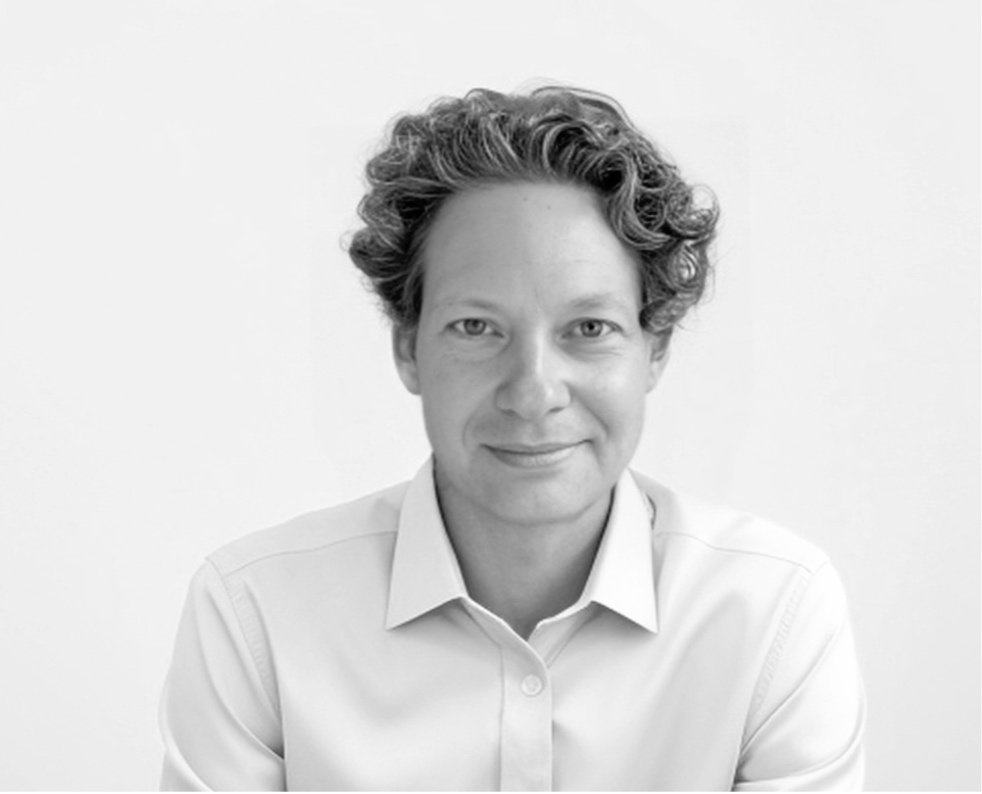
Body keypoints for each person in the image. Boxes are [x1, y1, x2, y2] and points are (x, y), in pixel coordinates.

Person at [158, 86, 866, 790]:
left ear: (655, 350)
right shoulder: (255, 615)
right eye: (477, 327)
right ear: (408, 347)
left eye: (589, 329)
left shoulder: (774, 612)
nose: (533, 393)